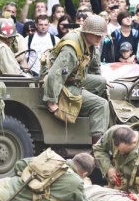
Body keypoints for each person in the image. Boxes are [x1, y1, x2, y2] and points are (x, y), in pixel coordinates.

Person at [43, 15, 109, 145]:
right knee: (101, 104)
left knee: (101, 81)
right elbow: (55, 76)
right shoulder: (72, 48)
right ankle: (97, 152)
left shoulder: (89, 43)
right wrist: (51, 101)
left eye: (101, 35)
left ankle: (86, 109)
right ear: (87, 32)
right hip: (60, 83)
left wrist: (100, 79)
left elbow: (95, 67)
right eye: (97, 35)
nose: (100, 38)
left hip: (72, 78)